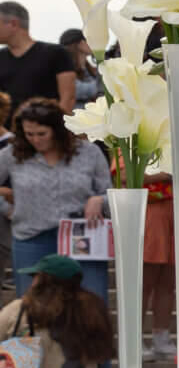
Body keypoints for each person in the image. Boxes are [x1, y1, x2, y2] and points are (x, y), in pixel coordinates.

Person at [0, 100, 108, 297]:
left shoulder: (89, 152)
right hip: (31, 238)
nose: (35, 140)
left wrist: (99, 200)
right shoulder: (11, 154)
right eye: (29, 134)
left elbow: (109, 192)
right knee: (34, 306)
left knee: (89, 302)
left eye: (42, 134)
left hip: (81, 235)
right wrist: (7, 208)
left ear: (57, 130)